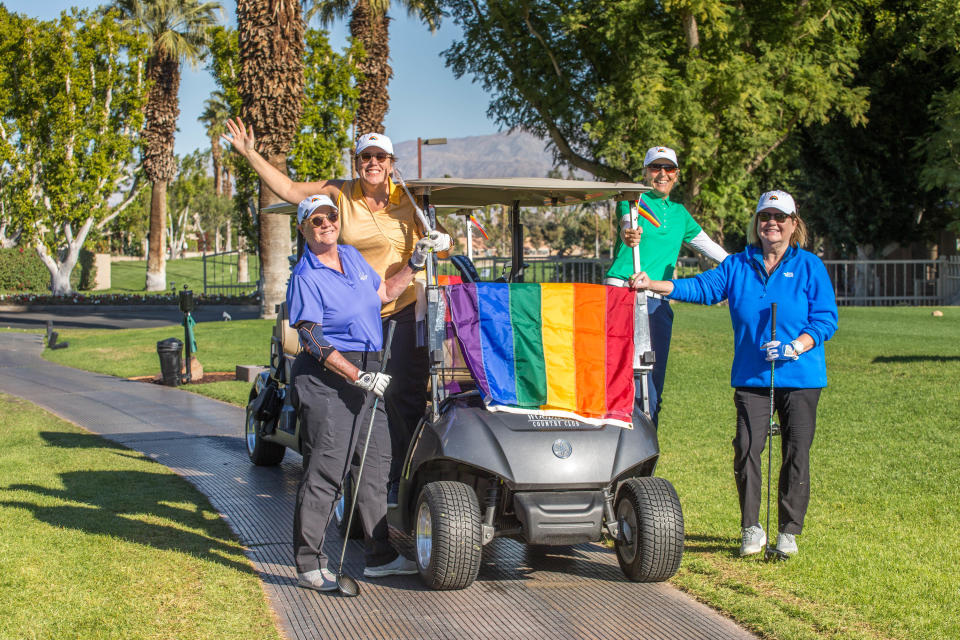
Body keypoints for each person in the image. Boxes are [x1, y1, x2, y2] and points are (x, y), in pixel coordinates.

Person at [223, 119, 449, 506]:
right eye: (365, 157)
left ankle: (401, 480)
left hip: (403, 307)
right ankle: (361, 482)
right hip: (356, 314)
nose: (373, 162)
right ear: (355, 161)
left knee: (406, 397)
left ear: (391, 162)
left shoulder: (408, 198)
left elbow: (439, 244)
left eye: (380, 156)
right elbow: (291, 190)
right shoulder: (339, 194)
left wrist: (441, 241)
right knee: (359, 396)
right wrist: (249, 153)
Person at [629, 190, 838, 557]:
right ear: (756, 224)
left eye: (779, 217)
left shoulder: (809, 266)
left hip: (801, 376)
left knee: (796, 453)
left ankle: (788, 531)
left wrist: (796, 346)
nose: (771, 223)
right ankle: (751, 527)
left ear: (793, 224)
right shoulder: (739, 265)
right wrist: (653, 285)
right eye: (764, 217)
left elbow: (825, 318)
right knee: (746, 449)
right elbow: (703, 288)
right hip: (752, 377)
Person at [288, 194, 443, 591]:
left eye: (331, 217)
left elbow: (384, 294)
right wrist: (356, 375)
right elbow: (311, 338)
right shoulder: (306, 275)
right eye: (316, 220)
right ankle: (309, 563)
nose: (326, 224)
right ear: (304, 228)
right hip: (328, 378)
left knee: (374, 466)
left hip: (369, 369)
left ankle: (380, 555)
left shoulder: (352, 257)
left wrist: (415, 262)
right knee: (328, 469)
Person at [604, 145, 728, 427]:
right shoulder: (633, 201)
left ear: (676, 174)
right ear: (646, 172)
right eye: (655, 168)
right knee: (618, 370)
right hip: (622, 292)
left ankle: (647, 442)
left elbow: (708, 247)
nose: (662, 174)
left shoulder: (680, 214)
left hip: (656, 298)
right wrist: (629, 233)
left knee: (653, 379)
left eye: (668, 169)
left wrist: (742, 265)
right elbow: (628, 225)